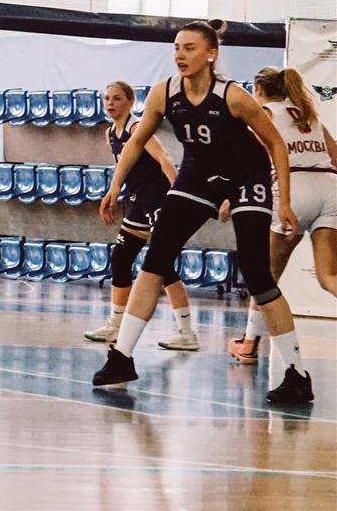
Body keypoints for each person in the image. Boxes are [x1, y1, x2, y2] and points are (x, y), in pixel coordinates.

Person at [91, 20, 314, 405]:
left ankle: (296, 373)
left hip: (246, 176)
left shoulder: (233, 96)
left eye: (190, 48)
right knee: (155, 260)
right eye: (177, 47)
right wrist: (114, 188)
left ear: (211, 54)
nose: (180, 54)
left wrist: (285, 202)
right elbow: (136, 142)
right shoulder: (164, 93)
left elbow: (276, 144)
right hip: (198, 175)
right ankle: (121, 357)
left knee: (258, 274)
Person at [227, 67, 337, 365]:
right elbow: (335, 155)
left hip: (294, 189)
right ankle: (248, 343)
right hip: (330, 187)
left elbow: (246, 159)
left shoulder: (263, 113)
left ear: (259, 88)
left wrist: (228, 194)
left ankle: (249, 344)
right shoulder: (307, 114)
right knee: (329, 276)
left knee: (265, 276)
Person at [84, 81, 198, 350]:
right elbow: (123, 167)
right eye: (107, 98)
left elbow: (165, 158)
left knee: (163, 266)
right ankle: (115, 325)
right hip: (137, 200)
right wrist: (113, 192)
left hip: (157, 199)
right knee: (121, 258)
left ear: (130, 101)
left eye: (117, 98)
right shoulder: (111, 132)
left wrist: (178, 196)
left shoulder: (137, 128)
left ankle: (187, 333)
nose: (110, 103)